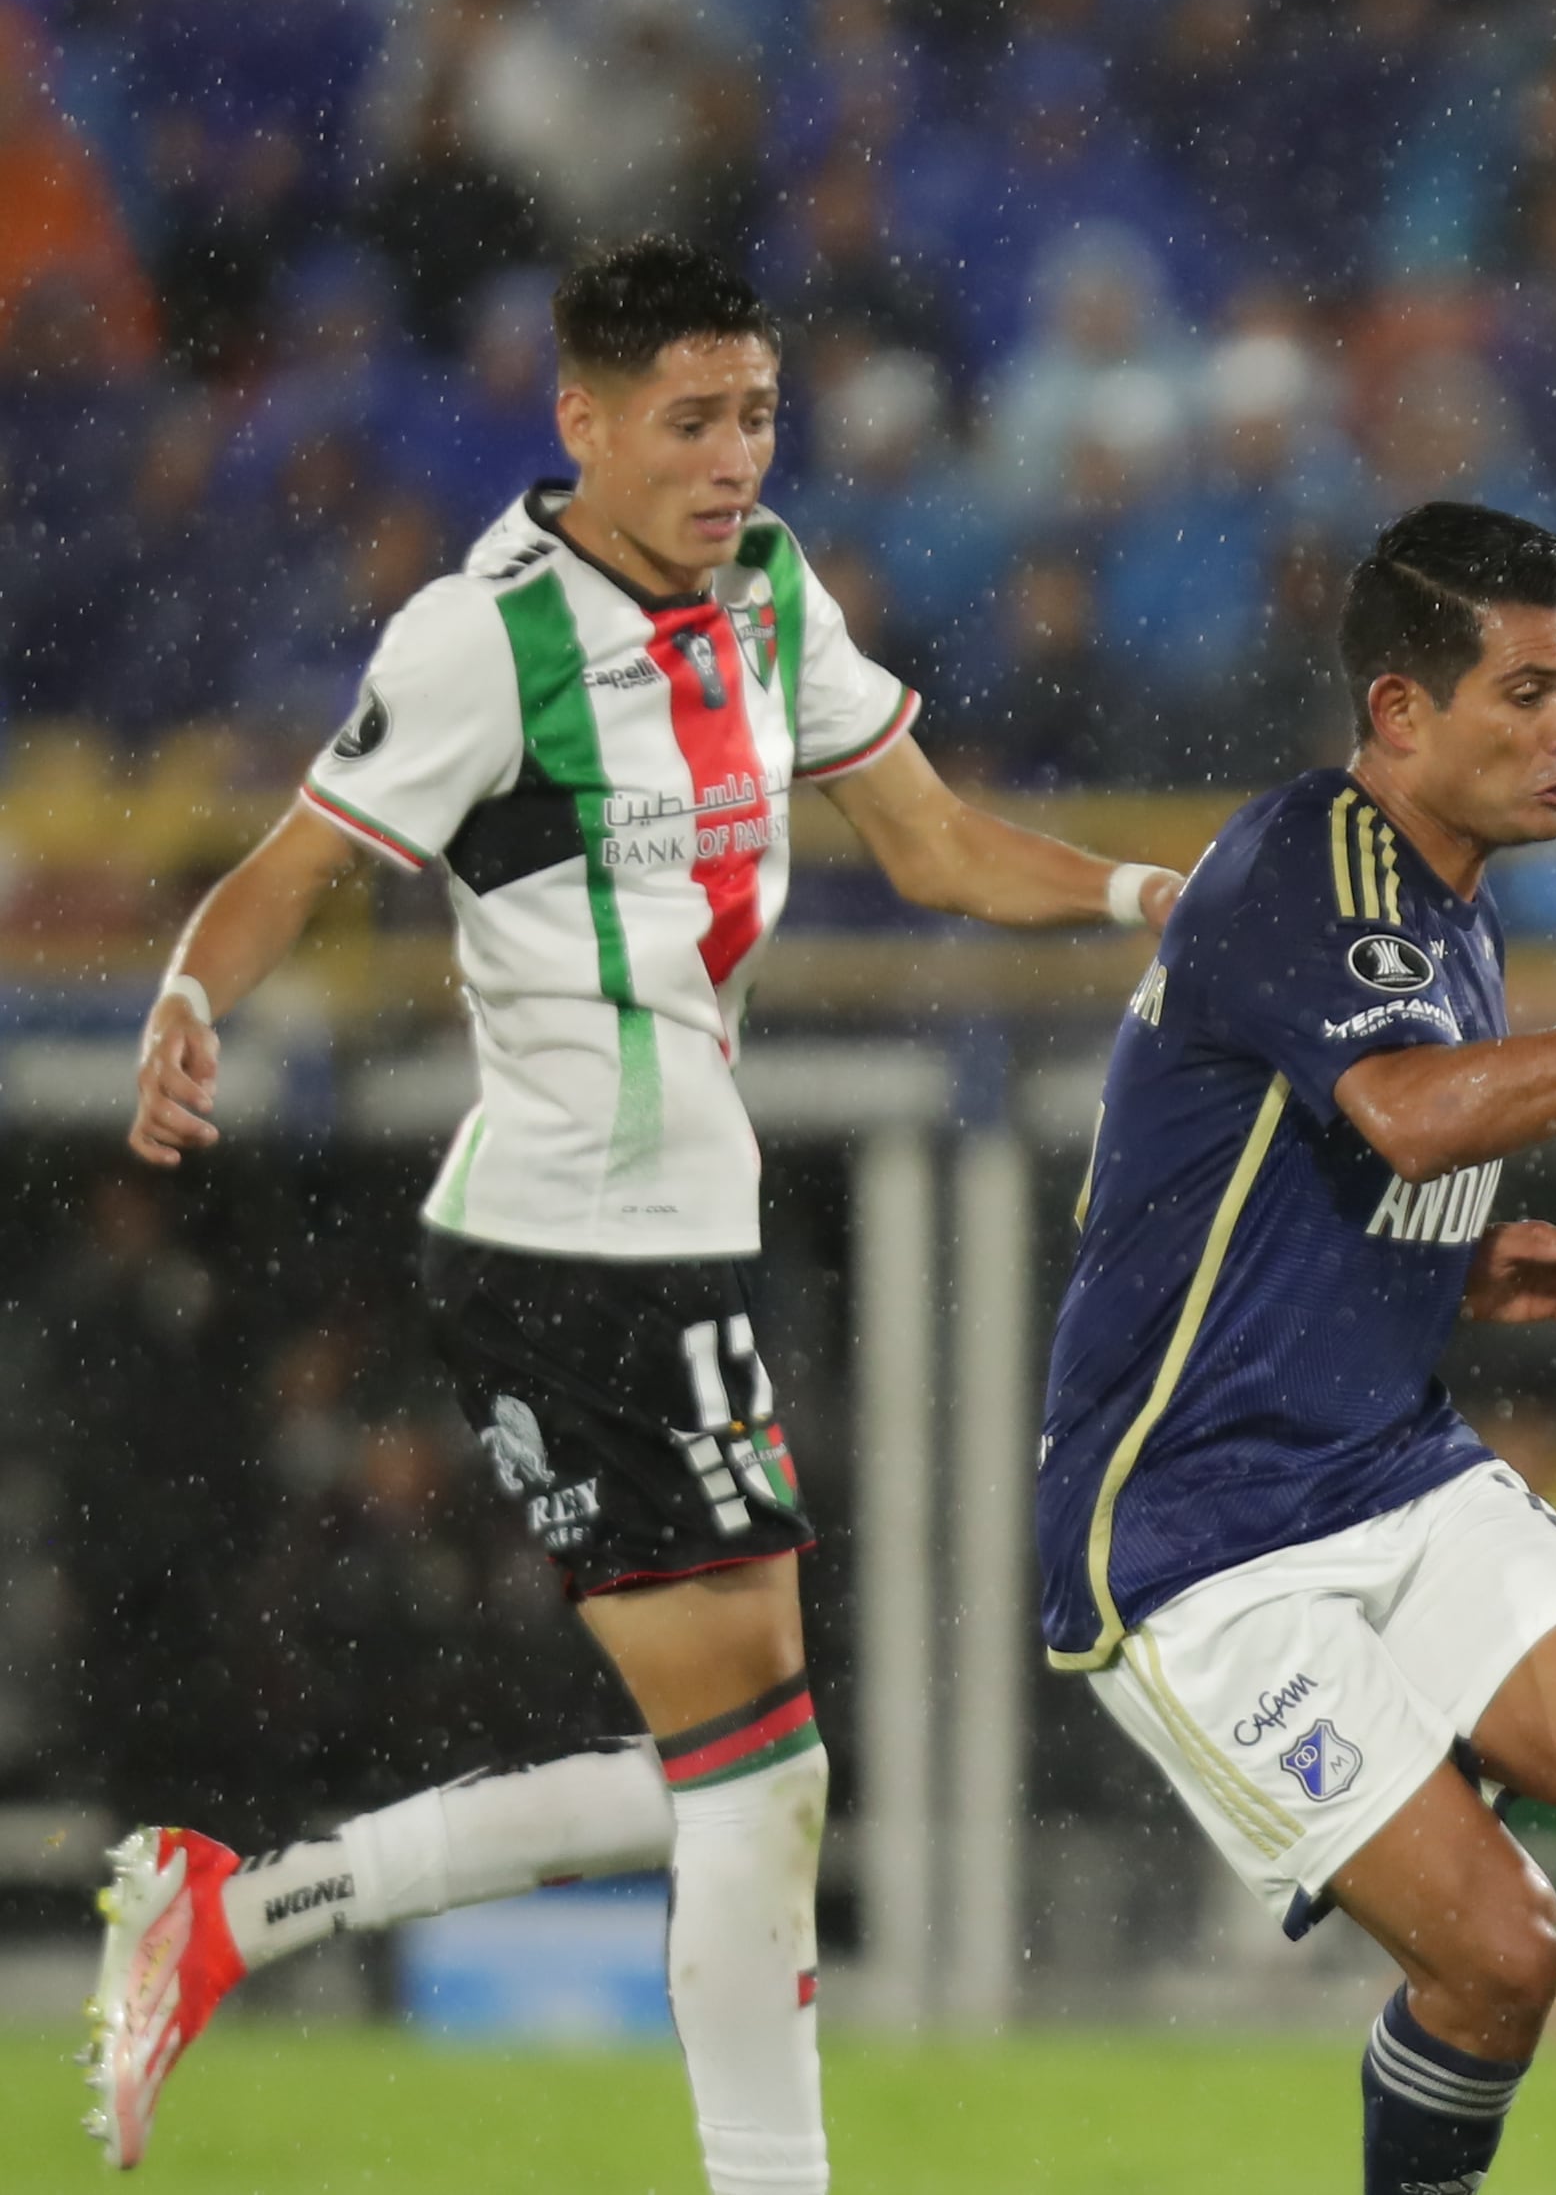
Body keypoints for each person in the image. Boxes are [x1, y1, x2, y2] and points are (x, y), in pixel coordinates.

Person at [93, 239, 1188, 2187]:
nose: (731, 458)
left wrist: (1133, 901)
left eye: (754, 415)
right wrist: (187, 998)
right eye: (689, 421)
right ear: (580, 423)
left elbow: (934, 847)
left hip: (654, 1235)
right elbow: (292, 866)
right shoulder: (483, 634)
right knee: (762, 1781)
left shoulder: (774, 598)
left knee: (750, 1770)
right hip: (574, 1237)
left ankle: (238, 1916)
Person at [1035, 502, 1556, 2195]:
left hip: (1383, 1455)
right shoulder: (1301, 864)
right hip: (1195, 1529)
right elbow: (1398, 1116)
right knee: (1499, 1953)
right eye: (1526, 690)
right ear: (1400, 711)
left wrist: (1457, 1264)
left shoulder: (1450, 897)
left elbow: (1277, 1174)